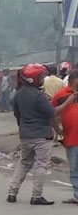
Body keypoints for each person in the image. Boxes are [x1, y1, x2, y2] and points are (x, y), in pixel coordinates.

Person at [7, 63, 76, 205]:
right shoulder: (38, 96)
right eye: (40, 76)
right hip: (41, 136)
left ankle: (12, 192)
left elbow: (17, 114)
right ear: (33, 79)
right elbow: (53, 112)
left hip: (26, 135)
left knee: (24, 163)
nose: (42, 79)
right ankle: (36, 196)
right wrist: (68, 102)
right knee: (41, 165)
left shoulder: (18, 95)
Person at [51, 68, 78, 205]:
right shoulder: (61, 95)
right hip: (72, 138)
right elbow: (51, 113)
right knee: (74, 169)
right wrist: (58, 130)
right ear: (73, 80)